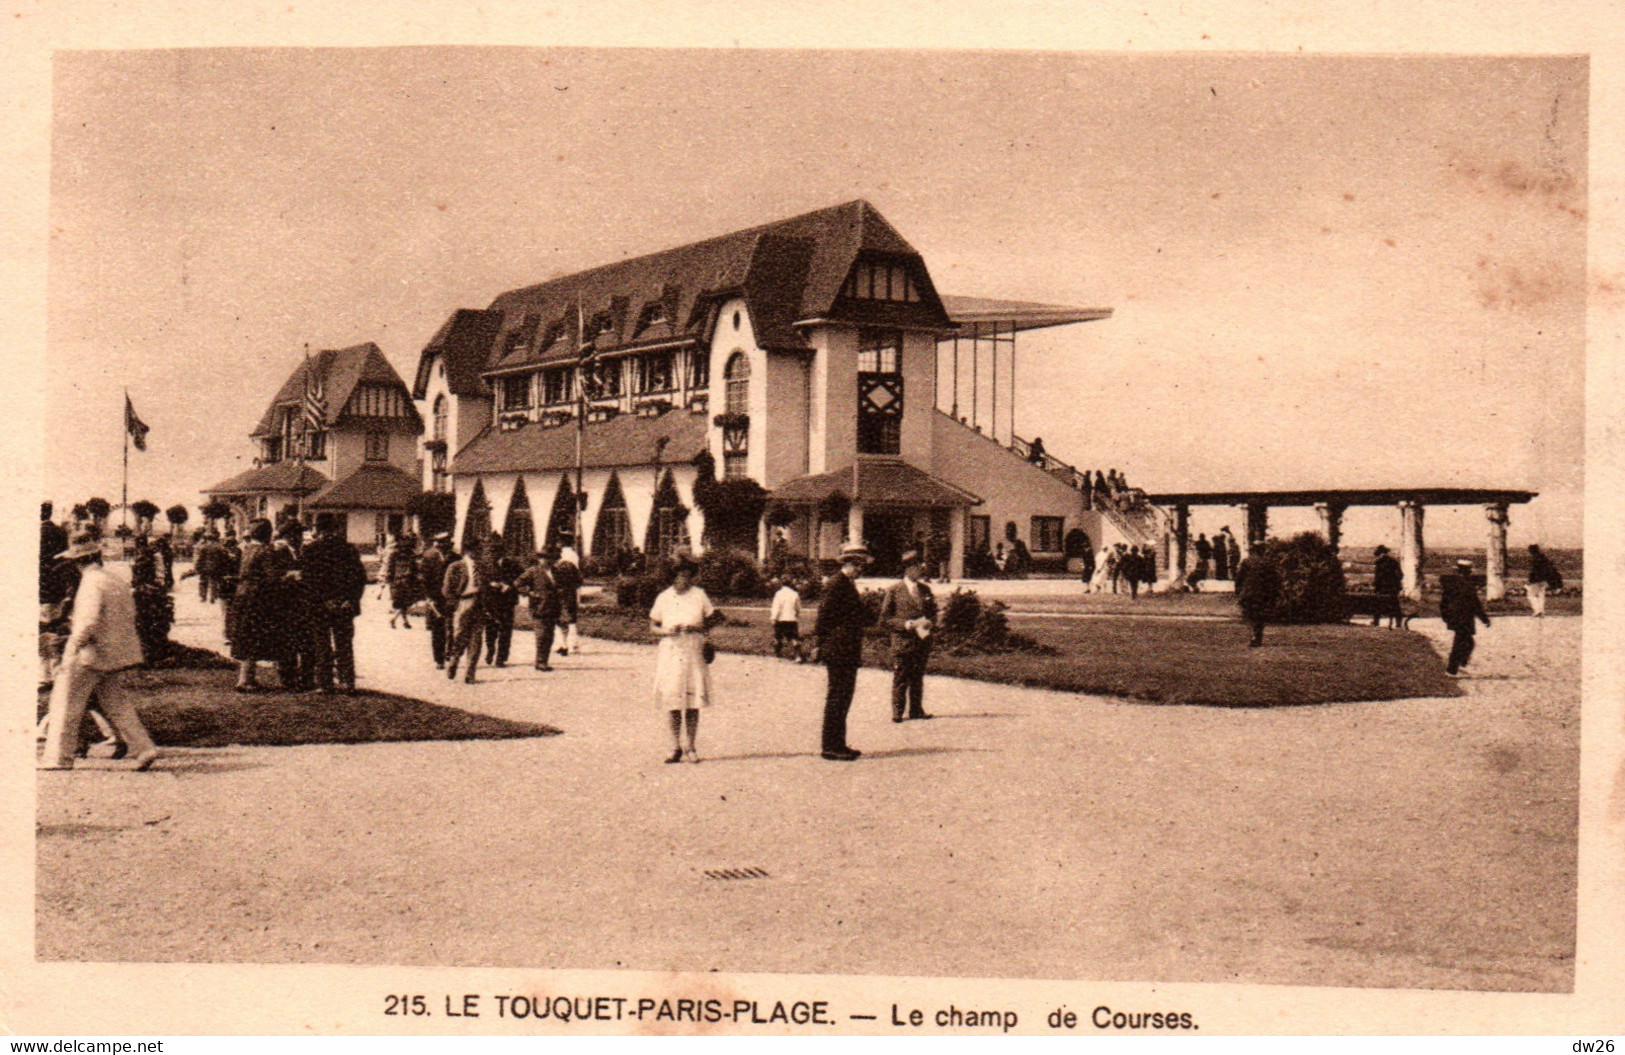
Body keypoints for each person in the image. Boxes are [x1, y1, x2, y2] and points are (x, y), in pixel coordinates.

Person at [38, 531, 160, 772]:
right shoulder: (114, 580)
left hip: (89, 654)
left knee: (65, 702)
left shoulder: (90, 583)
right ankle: (145, 748)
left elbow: (88, 622)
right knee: (117, 703)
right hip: (114, 653)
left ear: (76, 561)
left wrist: (70, 650)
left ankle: (58, 758)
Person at [649, 552, 722, 763]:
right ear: (672, 577)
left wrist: (697, 627)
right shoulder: (663, 597)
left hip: (693, 650)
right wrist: (666, 631)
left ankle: (690, 746)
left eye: (688, 575)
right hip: (671, 651)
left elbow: (713, 619)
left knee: (692, 700)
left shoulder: (699, 595)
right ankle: (675, 747)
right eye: (680, 575)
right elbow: (652, 626)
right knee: (672, 699)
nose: (685, 580)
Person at [814, 542, 874, 761]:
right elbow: (823, 617)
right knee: (838, 697)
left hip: (846, 649)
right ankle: (831, 746)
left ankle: (837, 743)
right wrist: (820, 644)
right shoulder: (837, 584)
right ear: (850, 563)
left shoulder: (845, 584)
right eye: (860, 565)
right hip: (839, 650)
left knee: (842, 697)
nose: (862, 570)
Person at [301, 514, 368, 693]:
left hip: (321, 605)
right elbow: (359, 578)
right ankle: (347, 682)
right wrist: (350, 600)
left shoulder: (310, 550)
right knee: (344, 643)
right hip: (344, 604)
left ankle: (325, 683)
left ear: (317, 530)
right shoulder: (349, 550)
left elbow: (309, 581)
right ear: (335, 529)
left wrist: (324, 600)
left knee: (322, 643)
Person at [879, 549, 936, 722]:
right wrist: (904, 624)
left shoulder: (925, 590)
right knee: (901, 677)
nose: (921, 570)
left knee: (918, 677)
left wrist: (931, 622)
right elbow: (885, 619)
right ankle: (898, 711)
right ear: (908, 569)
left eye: (921, 566)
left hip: (922, 640)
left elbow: (933, 612)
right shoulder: (895, 590)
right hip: (903, 641)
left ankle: (916, 709)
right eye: (918, 567)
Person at [229, 519, 286, 690]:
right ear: (267, 534)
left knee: (245, 636)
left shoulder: (247, 549)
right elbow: (272, 577)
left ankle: (244, 678)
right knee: (253, 636)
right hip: (256, 597)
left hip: (242, 595)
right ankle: (246, 681)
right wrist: (287, 576)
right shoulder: (265, 551)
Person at [442, 535, 489, 683]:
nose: (480, 552)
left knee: (476, 639)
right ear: (469, 550)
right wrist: (455, 604)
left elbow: (486, 585)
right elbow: (446, 589)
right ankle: (454, 661)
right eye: (478, 549)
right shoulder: (456, 567)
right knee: (460, 636)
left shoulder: (482, 566)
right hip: (463, 602)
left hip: (479, 603)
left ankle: (470, 673)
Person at [1439, 558, 1491, 675]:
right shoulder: (1468, 585)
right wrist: (1484, 619)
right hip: (1465, 617)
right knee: (1464, 642)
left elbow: (1444, 601)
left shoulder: (1451, 584)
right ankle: (1453, 667)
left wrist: (1445, 615)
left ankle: (1457, 664)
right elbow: (1475, 604)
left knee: (1463, 641)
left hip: (1455, 616)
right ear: (1469, 571)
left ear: (1458, 570)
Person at [516, 547, 562, 670]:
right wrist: (529, 592)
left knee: (549, 636)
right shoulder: (533, 571)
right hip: (539, 608)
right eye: (544, 558)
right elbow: (518, 583)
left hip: (553, 607)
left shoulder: (556, 571)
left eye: (550, 558)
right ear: (539, 558)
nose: (547, 561)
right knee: (541, 635)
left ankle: (543, 660)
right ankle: (540, 662)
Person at [482, 533, 523, 667]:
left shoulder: (512, 564)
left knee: (506, 630)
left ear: (502, 551)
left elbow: (521, 579)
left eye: (497, 550)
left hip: (507, 601)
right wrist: (490, 584)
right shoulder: (485, 566)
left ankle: (501, 657)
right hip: (491, 601)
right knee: (490, 629)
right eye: (491, 550)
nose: (494, 553)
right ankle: (490, 650)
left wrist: (509, 585)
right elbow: (479, 581)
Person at [1233, 545, 1280, 647]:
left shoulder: (1247, 562)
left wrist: (1238, 590)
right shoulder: (1268, 562)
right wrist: (1274, 593)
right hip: (1263, 593)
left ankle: (1254, 635)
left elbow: (1239, 577)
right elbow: (1274, 579)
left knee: (1250, 614)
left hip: (1249, 592)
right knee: (1259, 616)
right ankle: (1257, 635)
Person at [419, 532, 452, 668]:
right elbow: (424, 579)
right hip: (436, 597)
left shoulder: (455, 557)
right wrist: (428, 597)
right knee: (438, 628)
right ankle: (439, 659)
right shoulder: (429, 557)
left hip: (452, 597)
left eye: (442, 543)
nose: (438, 545)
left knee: (452, 627)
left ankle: (449, 651)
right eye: (437, 542)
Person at [385, 533, 422, 630]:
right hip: (400, 582)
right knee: (403, 603)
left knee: (404, 603)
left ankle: (403, 621)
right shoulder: (395, 555)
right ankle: (397, 620)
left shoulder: (409, 554)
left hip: (405, 581)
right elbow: (390, 569)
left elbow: (414, 568)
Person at [553, 539, 583, 657]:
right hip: (570, 593)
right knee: (571, 619)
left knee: (558, 619)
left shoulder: (555, 566)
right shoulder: (572, 561)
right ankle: (572, 645)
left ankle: (561, 644)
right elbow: (579, 581)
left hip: (558, 595)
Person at [769, 576, 804, 661]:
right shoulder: (795, 594)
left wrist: (773, 618)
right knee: (794, 637)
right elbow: (798, 608)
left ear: (782, 584)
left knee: (778, 637)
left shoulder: (779, 594)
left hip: (781, 619)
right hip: (791, 619)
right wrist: (797, 615)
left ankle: (778, 654)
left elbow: (776, 607)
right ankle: (797, 656)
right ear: (790, 584)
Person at [1525, 544, 1562, 617]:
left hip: (1535, 581)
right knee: (1541, 595)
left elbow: (1534, 571)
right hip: (1544, 580)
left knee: (1531, 596)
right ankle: (1541, 611)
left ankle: (1537, 610)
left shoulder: (1535, 559)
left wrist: (1530, 580)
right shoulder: (1544, 558)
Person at [1371, 544, 1403, 627]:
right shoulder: (1394, 561)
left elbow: (1378, 577)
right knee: (1395, 604)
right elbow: (1401, 575)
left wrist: (1376, 586)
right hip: (1393, 588)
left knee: (1378, 603)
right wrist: (1395, 583)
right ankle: (1398, 623)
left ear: (1380, 553)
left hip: (1382, 588)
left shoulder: (1379, 563)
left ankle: (1376, 621)